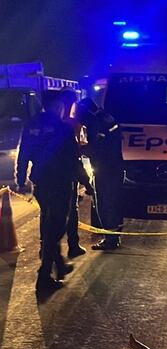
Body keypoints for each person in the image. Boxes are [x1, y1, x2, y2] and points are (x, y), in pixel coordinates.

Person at [14, 91, 84, 291]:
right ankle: (44, 276)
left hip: (41, 183)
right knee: (57, 227)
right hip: (60, 183)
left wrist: (21, 179)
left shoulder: (32, 124)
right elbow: (73, 160)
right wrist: (85, 182)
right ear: (56, 105)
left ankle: (59, 265)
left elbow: (23, 153)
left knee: (49, 223)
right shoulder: (62, 128)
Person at [76, 98, 124, 250]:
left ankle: (111, 239)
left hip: (105, 169)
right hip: (114, 167)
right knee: (113, 203)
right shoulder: (106, 118)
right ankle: (114, 235)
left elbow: (98, 149)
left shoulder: (96, 124)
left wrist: (79, 149)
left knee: (104, 204)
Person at [60, 88, 92, 258]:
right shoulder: (71, 123)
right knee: (71, 210)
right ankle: (72, 245)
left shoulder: (49, 120)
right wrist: (87, 183)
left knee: (48, 213)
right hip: (68, 173)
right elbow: (76, 153)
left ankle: (47, 247)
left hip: (48, 176)